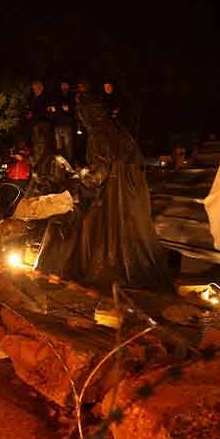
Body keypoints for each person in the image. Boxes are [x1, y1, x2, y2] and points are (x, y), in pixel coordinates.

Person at [36, 91, 170, 289]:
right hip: (129, 201)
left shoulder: (99, 136)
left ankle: (72, 269)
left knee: (80, 224)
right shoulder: (119, 132)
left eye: (82, 115)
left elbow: (98, 175)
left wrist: (80, 175)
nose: (81, 120)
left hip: (111, 200)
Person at [52, 80, 76, 162]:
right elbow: (55, 108)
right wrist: (53, 109)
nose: (64, 86)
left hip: (67, 125)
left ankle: (69, 164)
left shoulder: (71, 96)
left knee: (68, 147)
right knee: (59, 147)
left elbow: (74, 110)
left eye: (65, 85)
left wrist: (68, 110)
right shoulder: (57, 96)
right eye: (62, 85)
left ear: (68, 86)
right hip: (58, 124)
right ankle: (62, 165)